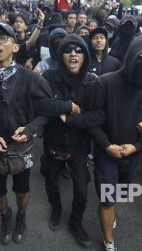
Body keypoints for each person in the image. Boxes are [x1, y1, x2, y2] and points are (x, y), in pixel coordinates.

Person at [0, 21, 52, 245]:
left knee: (22, 191)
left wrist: (30, 129)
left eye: (2, 37)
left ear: (15, 47)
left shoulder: (32, 79)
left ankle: (21, 217)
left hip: (21, 149)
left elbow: (47, 112)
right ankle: (6, 217)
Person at [85, 34, 142, 251]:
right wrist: (106, 146)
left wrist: (139, 144)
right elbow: (90, 121)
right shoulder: (103, 83)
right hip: (106, 152)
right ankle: (109, 240)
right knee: (107, 198)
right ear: (131, 58)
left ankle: (110, 210)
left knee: (120, 191)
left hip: (133, 153)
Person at [38, 34, 104, 247]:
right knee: (51, 182)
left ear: (85, 56)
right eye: (68, 50)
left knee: (82, 189)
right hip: (52, 142)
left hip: (79, 146)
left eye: (78, 50)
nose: (73, 53)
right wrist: (67, 107)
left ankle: (76, 222)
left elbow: (100, 115)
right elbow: (39, 105)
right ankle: (56, 208)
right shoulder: (48, 77)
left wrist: (73, 120)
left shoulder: (93, 82)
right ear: (60, 55)